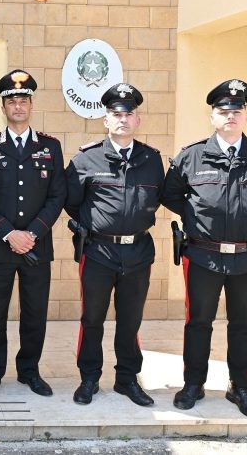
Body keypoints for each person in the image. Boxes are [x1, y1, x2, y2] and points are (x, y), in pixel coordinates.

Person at [161, 79, 247, 419]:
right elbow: (171, 196)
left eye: (237, 110)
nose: (230, 115)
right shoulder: (191, 156)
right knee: (198, 322)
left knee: (243, 325)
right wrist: (201, 220)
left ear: (245, 116)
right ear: (212, 117)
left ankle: (240, 388)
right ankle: (193, 384)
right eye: (223, 111)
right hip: (202, 255)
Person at [64, 83, 164, 406]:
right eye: (116, 114)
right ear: (106, 120)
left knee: (130, 320)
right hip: (99, 252)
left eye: (128, 114)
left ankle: (127, 379)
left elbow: (159, 198)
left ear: (137, 120)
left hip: (138, 252)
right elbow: (71, 201)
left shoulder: (152, 159)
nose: (123, 119)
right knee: (92, 318)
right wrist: (96, 224)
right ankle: (89, 378)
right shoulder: (86, 158)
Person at [0, 70, 66, 400]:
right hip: (0, 247)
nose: (18, 106)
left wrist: (32, 233)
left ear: (31, 105)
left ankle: (30, 371)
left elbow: (58, 195)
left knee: (35, 313)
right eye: (12, 101)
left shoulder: (50, 147)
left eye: (23, 100)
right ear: (3, 107)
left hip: (37, 247)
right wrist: (9, 233)